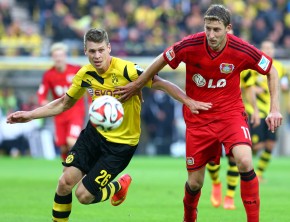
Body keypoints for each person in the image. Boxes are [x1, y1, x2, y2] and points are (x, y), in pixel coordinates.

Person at [6, 28, 212, 222]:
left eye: (101, 50)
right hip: (94, 135)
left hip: (121, 145)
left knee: (83, 196)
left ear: (109, 48)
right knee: (64, 183)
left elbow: (162, 83)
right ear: (85, 51)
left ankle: (117, 187)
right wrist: (30, 115)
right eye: (92, 51)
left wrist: (188, 101)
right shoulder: (85, 75)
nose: (97, 56)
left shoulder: (127, 70)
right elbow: (63, 103)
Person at [115, 4, 283, 222]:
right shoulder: (190, 44)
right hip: (198, 119)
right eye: (208, 28)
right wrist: (137, 84)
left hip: (230, 115)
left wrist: (275, 109)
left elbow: (271, 69)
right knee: (195, 183)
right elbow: (162, 59)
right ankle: (189, 217)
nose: (211, 35)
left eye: (216, 29)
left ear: (228, 28)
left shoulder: (242, 49)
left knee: (244, 161)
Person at [206, 67, 261, 210]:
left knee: (236, 158)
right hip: (211, 115)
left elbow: (249, 88)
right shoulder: (214, 60)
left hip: (235, 116)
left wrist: (255, 110)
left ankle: (229, 196)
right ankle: (216, 183)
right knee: (211, 157)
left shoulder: (243, 63)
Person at [241, 40, 287, 182]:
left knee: (270, 144)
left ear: (274, 50)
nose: (268, 50)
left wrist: (285, 85)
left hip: (271, 111)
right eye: (265, 48)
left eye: (270, 48)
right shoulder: (253, 66)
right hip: (255, 111)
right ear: (261, 49)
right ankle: (247, 170)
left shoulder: (279, 67)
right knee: (257, 145)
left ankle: (259, 173)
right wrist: (256, 89)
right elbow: (244, 85)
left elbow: (284, 82)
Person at [37, 42, 86, 161]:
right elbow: (41, 94)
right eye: (56, 56)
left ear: (65, 56)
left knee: (71, 141)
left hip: (76, 111)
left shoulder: (76, 69)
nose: (58, 58)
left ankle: (85, 167)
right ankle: (68, 171)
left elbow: (88, 86)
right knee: (63, 147)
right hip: (59, 114)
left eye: (61, 55)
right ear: (52, 58)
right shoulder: (49, 75)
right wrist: (45, 104)